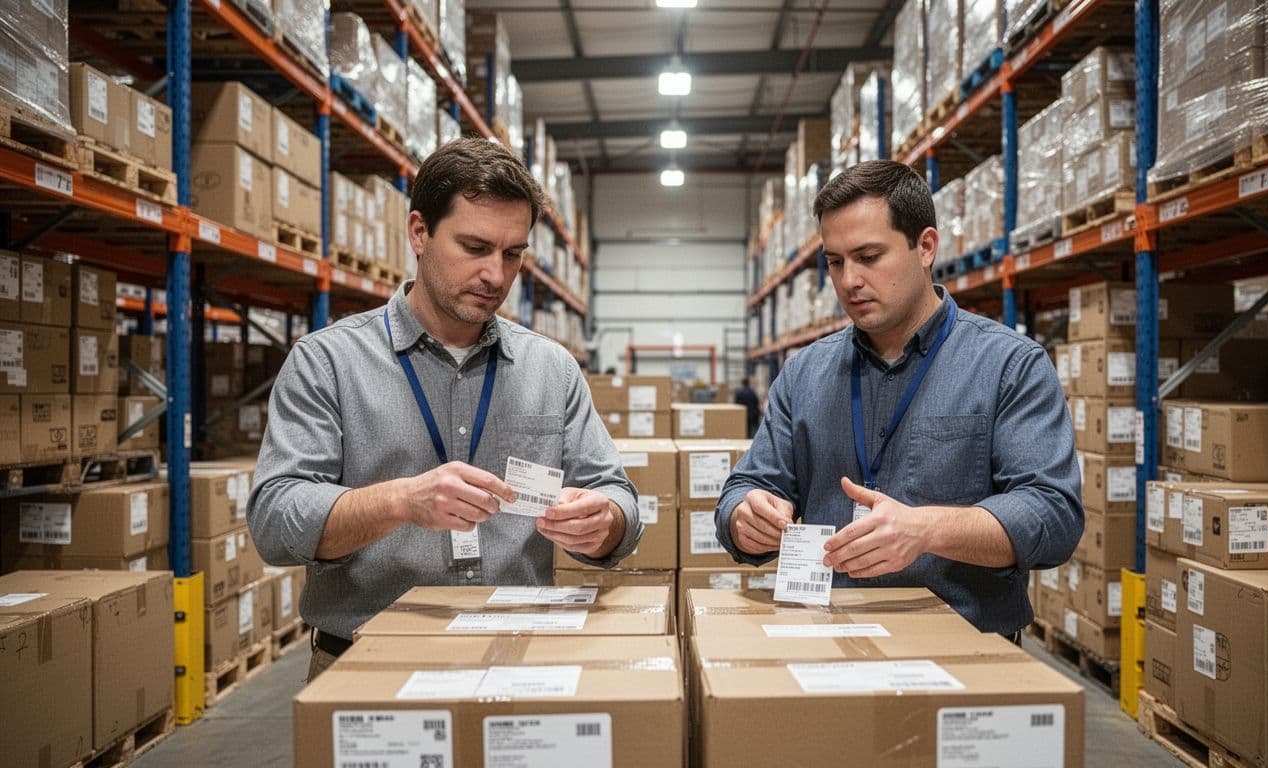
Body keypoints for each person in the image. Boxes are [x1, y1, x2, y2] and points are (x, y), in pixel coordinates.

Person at [249, 138, 642, 680]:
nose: (496, 276)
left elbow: (619, 496)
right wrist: (401, 501)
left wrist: (607, 522)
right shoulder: (328, 363)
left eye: (512, 254)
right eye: (475, 247)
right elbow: (274, 520)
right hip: (366, 668)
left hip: (521, 662)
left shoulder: (551, 369)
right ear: (419, 232)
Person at [715, 160, 1081, 637]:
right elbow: (743, 488)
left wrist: (926, 530)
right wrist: (746, 516)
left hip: (966, 646)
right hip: (826, 640)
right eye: (835, 261)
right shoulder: (804, 374)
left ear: (925, 246)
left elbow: (1053, 514)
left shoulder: (1009, 366)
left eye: (869, 256)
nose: (848, 281)